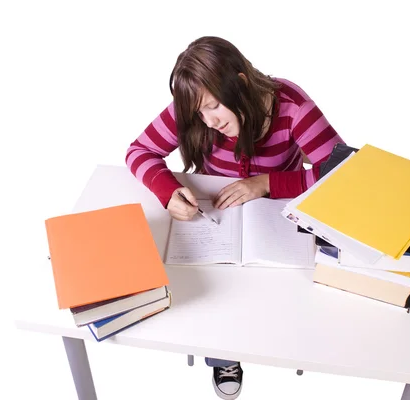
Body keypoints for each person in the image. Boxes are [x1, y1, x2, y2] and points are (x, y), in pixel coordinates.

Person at [126, 36, 345, 400]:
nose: (209, 121)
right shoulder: (195, 104)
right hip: (219, 219)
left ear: (240, 83)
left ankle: (279, 344)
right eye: (200, 113)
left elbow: (340, 174)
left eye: (214, 106)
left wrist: (267, 183)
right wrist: (167, 190)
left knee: (278, 293)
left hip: (278, 217)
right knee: (215, 294)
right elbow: (139, 151)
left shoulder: (292, 108)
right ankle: (224, 354)